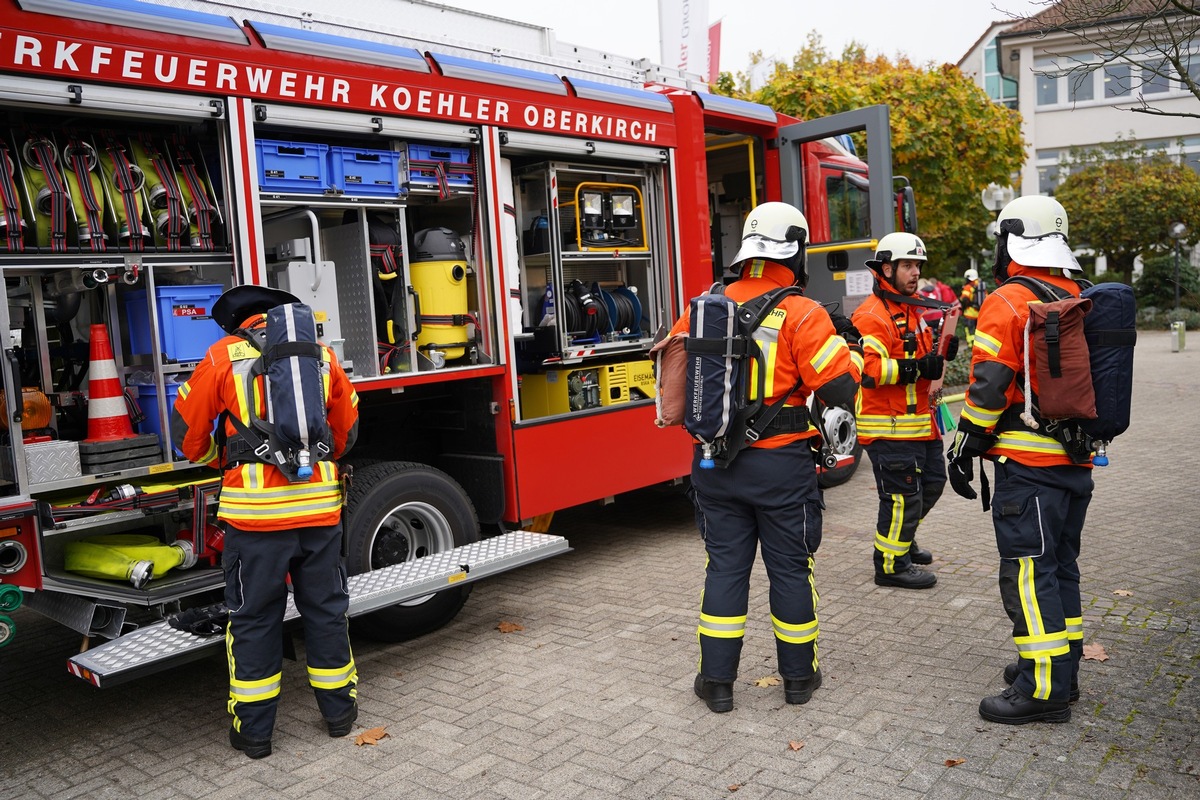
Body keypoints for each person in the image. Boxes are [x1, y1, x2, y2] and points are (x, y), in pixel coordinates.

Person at [671, 201, 861, 714]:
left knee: (724, 570)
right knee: (791, 571)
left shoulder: (705, 304)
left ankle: (716, 684)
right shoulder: (802, 312)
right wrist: (852, 349)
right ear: (796, 251)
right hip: (781, 468)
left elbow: (672, 379)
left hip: (713, 465)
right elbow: (840, 388)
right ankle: (799, 680)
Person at [171, 284, 361, 757]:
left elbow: (187, 437)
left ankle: (254, 734)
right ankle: (340, 715)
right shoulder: (319, 354)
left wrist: (225, 457)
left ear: (237, 322)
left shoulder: (222, 356)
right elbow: (347, 428)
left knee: (255, 618)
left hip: (255, 520)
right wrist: (313, 460)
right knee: (326, 610)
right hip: (319, 510)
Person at [946, 195, 1089, 725]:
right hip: (1075, 465)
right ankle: (1062, 666)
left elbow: (988, 388)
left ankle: (1044, 690)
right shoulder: (1077, 292)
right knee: (1059, 568)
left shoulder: (1008, 300)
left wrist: (964, 447)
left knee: (1028, 574)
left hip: (1028, 470)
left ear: (1012, 241)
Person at [851, 232, 952, 589]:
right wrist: (918, 367)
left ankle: (902, 541)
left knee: (934, 485)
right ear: (887, 268)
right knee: (901, 498)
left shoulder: (912, 310)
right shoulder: (871, 315)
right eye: (908, 265)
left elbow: (922, 354)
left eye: (918, 265)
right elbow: (870, 371)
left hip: (919, 424)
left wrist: (940, 355)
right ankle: (890, 565)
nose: (915, 273)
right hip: (889, 427)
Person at [959, 268, 985, 347]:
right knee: (979, 331)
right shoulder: (981, 286)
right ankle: (979, 346)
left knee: (970, 331)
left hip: (969, 314)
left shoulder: (968, 287)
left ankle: (971, 346)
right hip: (980, 313)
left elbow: (964, 299)